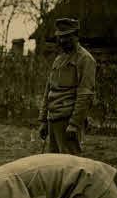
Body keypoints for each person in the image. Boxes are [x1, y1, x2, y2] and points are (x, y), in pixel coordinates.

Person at [38, 18, 96, 156]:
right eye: (61, 37)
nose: (63, 41)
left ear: (76, 36)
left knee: (70, 164)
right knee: (54, 164)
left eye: (67, 37)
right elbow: (48, 91)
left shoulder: (85, 59)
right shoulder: (58, 59)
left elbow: (85, 94)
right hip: (53, 119)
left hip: (68, 120)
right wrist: (43, 120)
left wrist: (75, 124)